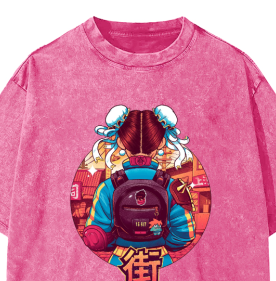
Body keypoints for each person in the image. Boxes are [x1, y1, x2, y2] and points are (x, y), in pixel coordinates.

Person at [82, 105, 196, 267]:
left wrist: (114, 241)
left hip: (120, 261)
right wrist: (163, 242)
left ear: (120, 142)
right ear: (162, 142)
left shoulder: (107, 187)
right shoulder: (174, 187)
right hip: (160, 260)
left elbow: (96, 235)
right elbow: (184, 235)